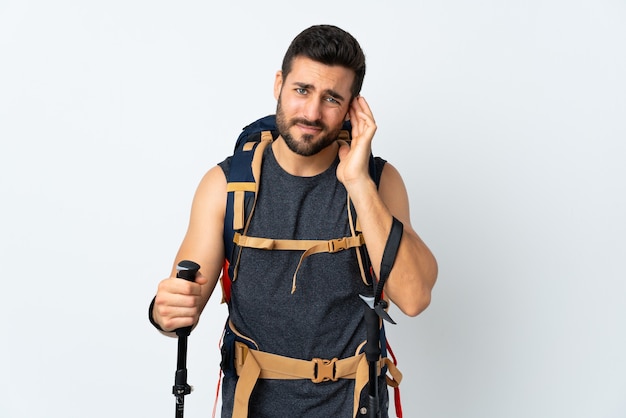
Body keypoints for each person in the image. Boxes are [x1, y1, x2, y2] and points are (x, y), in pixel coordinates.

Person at [149, 24, 438, 418]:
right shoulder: (226, 185)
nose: (312, 113)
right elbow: (181, 311)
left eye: (332, 98)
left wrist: (357, 182)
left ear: (353, 108)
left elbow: (415, 296)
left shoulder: (378, 182)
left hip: (354, 406)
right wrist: (163, 312)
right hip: (251, 406)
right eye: (302, 90)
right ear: (279, 84)